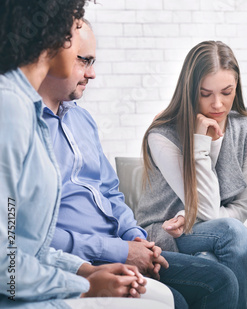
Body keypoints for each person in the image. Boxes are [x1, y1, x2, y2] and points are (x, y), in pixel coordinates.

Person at [39, 21, 238, 309]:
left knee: (221, 280)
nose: (92, 73)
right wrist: (120, 250)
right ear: (51, 56)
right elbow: (23, 235)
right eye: (85, 61)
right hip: (82, 258)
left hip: (120, 246)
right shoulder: (22, 129)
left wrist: (135, 237)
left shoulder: (82, 120)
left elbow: (110, 193)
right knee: (178, 301)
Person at [0, 1, 167, 308]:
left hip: (44, 276)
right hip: (19, 297)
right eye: (72, 31)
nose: (90, 72)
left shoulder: (29, 109)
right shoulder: (10, 108)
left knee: (162, 297)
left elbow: (27, 248)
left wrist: (86, 273)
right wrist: (83, 286)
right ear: (54, 38)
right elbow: (6, 267)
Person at [137, 40, 247, 309]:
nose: (217, 104)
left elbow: (241, 208)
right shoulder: (163, 134)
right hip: (165, 231)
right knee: (231, 233)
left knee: (222, 244)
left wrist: (188, 214)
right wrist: (201, 144)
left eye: (227, 92)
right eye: (205, 93)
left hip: (212, 232)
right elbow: (205, 206)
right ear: (189, 91)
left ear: (236, 88)